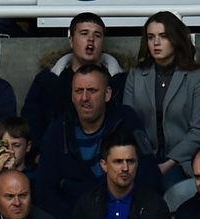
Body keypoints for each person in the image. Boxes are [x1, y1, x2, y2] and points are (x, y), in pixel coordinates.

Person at [38, 64, 161, 219]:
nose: (84, 98)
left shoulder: (126, 121)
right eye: (78, 91)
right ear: (72, 96)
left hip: (126, 217)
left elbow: (149, 174)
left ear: (107, 94)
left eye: (92, 90)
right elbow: (45, 190)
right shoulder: (57, 130)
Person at [123, 12, 200, 189]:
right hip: (143, 158)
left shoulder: (197, 76)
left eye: (163, 36)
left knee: (172, 191)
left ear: (175, 39)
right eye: (151, 37)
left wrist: (169, 162)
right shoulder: (136, 75)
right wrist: (146, 159)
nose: (156, 43)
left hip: (184, 161)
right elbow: (129, 122)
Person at [21, 13, 127, 152]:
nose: (91, 40)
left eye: (97, 35)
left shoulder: (120, 81)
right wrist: (39, 154)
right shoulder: (47, 81)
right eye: (84, 33)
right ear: (71, 40)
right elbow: (30, 122)